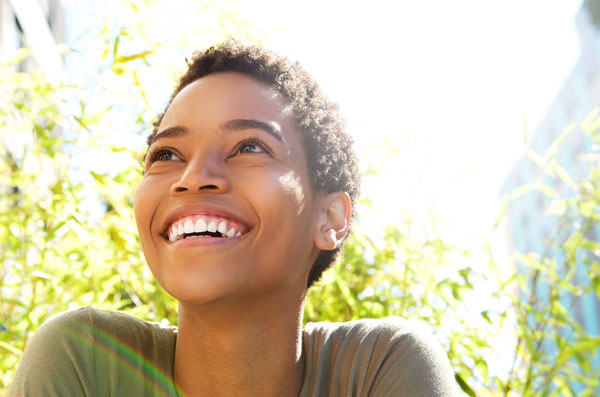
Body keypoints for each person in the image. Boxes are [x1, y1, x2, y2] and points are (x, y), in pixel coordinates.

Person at [8, 40, 458, 396]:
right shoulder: (84, 360)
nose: (192, 177)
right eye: (166, 154)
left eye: (249, 147)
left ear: (331, 217)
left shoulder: (379, 369)